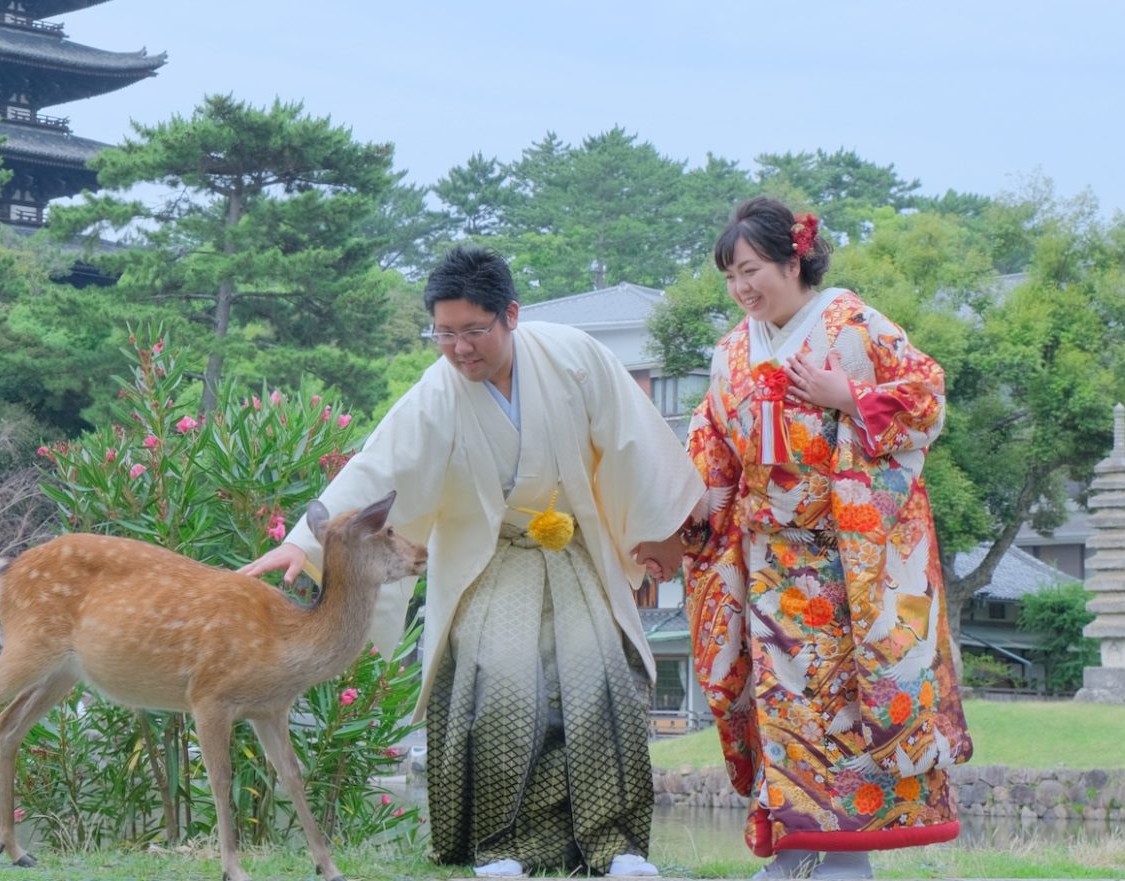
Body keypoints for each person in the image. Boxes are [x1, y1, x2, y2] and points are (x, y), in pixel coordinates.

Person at [242, 245, 702, 880]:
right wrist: (306, 541)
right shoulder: (439, 391)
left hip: (573, 550)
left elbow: (634, 438)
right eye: (445, 333)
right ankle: (499, 846)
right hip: (493, 556)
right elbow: (382, 463)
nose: (459, 349)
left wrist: (663, 529)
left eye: (473, 331)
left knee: (605, 675)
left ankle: (614, 845)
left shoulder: (573, 356)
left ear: (510, 315)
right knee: (502, 679)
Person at [633, 199, 971, 881]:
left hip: (847, 563)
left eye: (751, 269)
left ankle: (845, 862)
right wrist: (684, 513)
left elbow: (928, 395)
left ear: (795, 260)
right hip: (764, 560)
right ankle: (790, 853)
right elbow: (710, 444)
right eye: (731, 276)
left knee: (843, 710)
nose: (741, 288)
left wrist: (849, 394)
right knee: (777, 708)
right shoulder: (732, 349)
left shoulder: (852, 321)